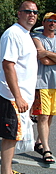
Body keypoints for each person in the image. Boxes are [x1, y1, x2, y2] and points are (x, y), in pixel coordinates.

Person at [0, 1, 38, 174]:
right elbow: (8, 65)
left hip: (22, 95)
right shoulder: (13, 34)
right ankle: (6, 172)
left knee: (15, 134)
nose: (32, 15)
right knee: (10, 136)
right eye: (28, 11)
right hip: (11, 96)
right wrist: (18, 96)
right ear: (19, 13)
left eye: (35, 12)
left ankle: (9, 170)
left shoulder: (26, 34)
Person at [32, 12, 56, 164]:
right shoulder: (37, 38)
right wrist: (48, 56)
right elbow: (44, 61)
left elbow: (46, 57)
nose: (53, 23)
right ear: (44, 23)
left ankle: (39, 142)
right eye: (50, 21)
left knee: (50, 116)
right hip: (43, 83)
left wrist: (47, 53)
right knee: (43, 116)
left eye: (55, 21)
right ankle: (46, 150)